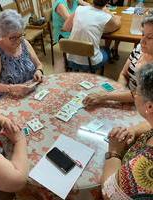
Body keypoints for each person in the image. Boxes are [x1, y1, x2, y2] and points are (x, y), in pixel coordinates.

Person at [101, 63, 153, 199]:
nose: (134, 94)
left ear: (149, 107)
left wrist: (114, 152)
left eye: (137, 91)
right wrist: (134, 130)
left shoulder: (143, 169)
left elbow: (109, 193)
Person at [83, 12, 153, 106]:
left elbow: (138, 95)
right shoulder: (139, 48)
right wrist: (120, 91)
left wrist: (105, 96)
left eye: (149, 37)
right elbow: (124, 74)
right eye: (142, 34)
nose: (142, 41)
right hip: (125, 97)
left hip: (143, 107)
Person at [0, 9, 44, 100]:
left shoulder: (23, 42)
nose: (18, 41)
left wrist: (39, 71)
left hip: (31, 91)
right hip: (11, 96)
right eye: (13, 38)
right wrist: (11, 88)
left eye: (20, 35)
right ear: (2, 35)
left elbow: (39, 64)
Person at [62, 0, 121, 72]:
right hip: (91, 63)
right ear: (107, 2)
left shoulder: (79, 9)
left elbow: (66, 27)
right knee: (107, 50)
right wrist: (112, 15)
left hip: (70, 59)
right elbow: (117, 25)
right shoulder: (106, 17)